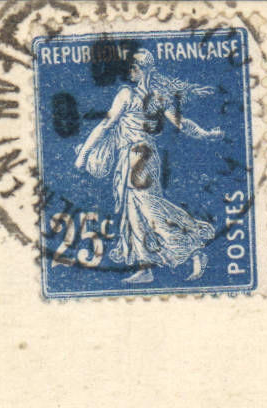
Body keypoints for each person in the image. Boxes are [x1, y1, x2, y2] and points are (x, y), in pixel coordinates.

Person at [73, 49, 224, 284]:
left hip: (139, 156)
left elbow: (180, 123)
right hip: (134, 156)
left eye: (135, 67)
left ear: (146, 70)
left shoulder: (135, 95)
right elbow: (108, 125)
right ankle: (145, 267)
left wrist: (83, 155)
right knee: (133, 209)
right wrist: (205, 134)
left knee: (148, 207)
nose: (130, 71)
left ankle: (194, 248)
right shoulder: (147, 95)